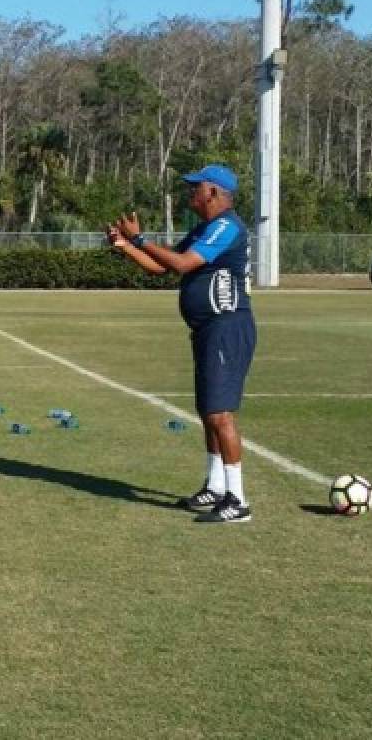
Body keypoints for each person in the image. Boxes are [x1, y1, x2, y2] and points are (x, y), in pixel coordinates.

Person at [107, 164, 256, 523]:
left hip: (226, 326)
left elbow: (184, 264)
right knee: (208, 413)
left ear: (215, 193)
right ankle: (215, 487)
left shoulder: (226, 226)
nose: (191, 194)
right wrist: (126, 246)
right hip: (208, 329)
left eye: (196, 188)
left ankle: (237, 500)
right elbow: (161, 267)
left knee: (220, 414)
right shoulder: (205, 229)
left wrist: (141, 240)